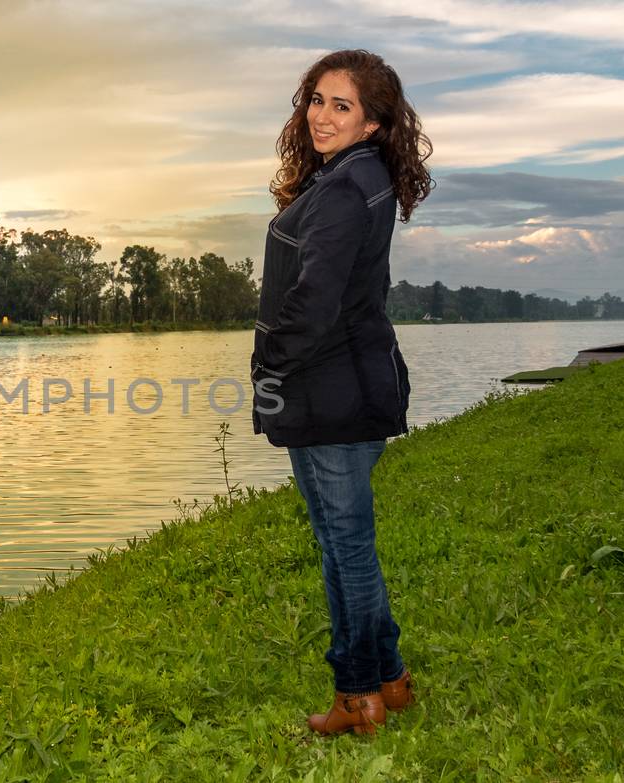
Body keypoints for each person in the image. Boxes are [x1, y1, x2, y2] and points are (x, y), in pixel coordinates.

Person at [249, 49, 433, 736]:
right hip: (349, 384)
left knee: (343, 547)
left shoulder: (346, 191)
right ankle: (389, 677)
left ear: (374, 124)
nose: (320, 116)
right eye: (315, 100)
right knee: (347, 542)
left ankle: (358, 697)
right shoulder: (358, 179)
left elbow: (313, 302)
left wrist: (266, 364)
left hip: (330, 391)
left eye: (341, 105)